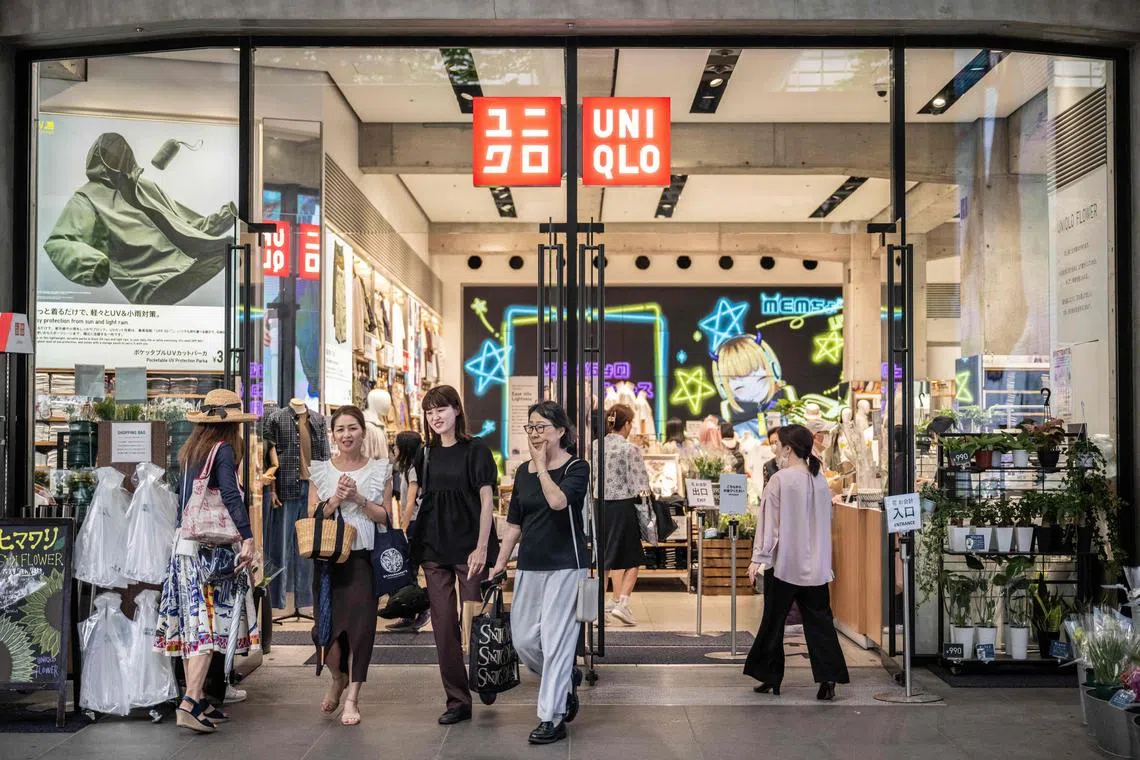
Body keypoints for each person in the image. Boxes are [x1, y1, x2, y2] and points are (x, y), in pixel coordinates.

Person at [154, 389, 260, 734]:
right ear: (232, 424)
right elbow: (230, 494)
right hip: (207, 551)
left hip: (184, 547)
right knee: (207, 626)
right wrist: (247, 535)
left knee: (192, 625)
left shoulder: (193, 451)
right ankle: (189, 702)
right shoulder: (224, 449)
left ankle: (196, 698)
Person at [491, 401, 591, 745]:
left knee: (556, 639)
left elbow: (558, 502)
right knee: (523, 640)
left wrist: (543, 468)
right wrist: (500, 562)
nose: (535, 434)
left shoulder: (577, 467)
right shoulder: (522, 472)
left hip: (568, 565)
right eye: (530, 427)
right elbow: (514, 523)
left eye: (541, 427)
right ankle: (565, 678)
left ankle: (552, 716)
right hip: (530, 565)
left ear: (561, 431)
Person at [411, 385, 499, 725]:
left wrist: (481, 546)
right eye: (430, 411)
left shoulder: (476, 450)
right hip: (434, 548)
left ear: (457, 410)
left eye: (441, 409)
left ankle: (485, 674)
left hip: (469, 548)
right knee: (443, 626)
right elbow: (423, 500)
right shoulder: (425, 453)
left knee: (474, 621)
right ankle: (457, 700)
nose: (435, 416)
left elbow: (487, 501)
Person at [744, 424, 849, 701]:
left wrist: (758, 558)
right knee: (820, 622)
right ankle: (828, 677)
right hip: (816, 565)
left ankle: (770, 676)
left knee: (773, 621)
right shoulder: (819, 480)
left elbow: (769, 524)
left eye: (777, 444)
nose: (775, 449)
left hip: (786, 564)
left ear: (788, 448)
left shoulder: (780, 480)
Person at [308, 404, 393, 727]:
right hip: (329, 563)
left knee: (361, 630)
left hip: (362, 561)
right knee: (324, 631)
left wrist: (358, 499)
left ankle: (353, 697)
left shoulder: (380, 469)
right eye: (340, 429)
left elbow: (385, 518)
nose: (347, 435)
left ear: (363, 432)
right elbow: (312, 516)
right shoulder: (321, 470)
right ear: (333, 434)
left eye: (352, 428)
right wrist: (335, 499)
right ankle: (337, 677)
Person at [592, 403, 650, 626]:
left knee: (604, 558)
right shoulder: (629, 449)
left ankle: (598, 609)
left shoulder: (596, 446)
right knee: (634, 556)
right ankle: (622, 603)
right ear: (626, 424)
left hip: (600, 505)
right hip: (623, 506)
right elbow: (639, 482)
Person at [386, 431, 430, 632]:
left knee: (408, 570)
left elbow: (411, 501)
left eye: (395, 446)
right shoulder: (408, 468)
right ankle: (409, 613)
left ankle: (420, 610)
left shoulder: (412, 469)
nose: (393, 449)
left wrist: (402, 529)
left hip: (414, 525)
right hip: (412, 524)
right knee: (407, 570)